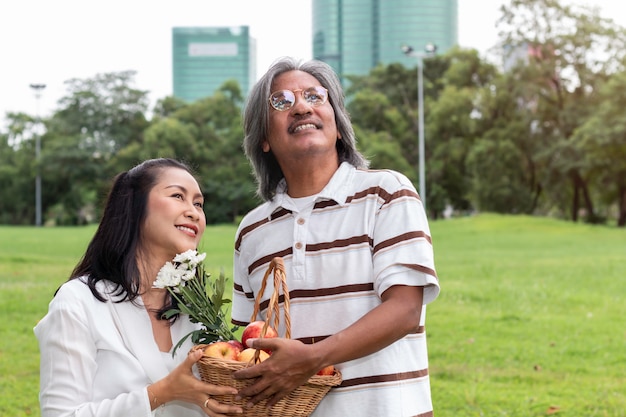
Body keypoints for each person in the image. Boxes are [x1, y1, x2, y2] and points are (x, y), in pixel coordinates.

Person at [230, 57, 441, 416]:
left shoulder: (386, 193)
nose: (300, 106)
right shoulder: (251, 232)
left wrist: (313, 358)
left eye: (314, 96)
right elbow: (254, 342)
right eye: (280, 102)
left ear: (338, 127)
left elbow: (405, 309)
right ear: (263, 139)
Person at [34, 158, 243, 417]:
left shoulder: (197, 315)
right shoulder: (78, 301)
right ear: (134, 208)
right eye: (178, 196)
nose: (194, 212)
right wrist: (162, 393)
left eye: (198, 203)